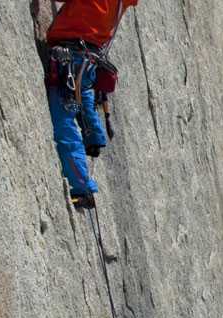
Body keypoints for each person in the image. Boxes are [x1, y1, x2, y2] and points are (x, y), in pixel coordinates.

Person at [44, 0, 137, 209]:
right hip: (88, 57)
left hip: (71, 54)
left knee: (64, 121)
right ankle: (93, 136)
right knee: (81, 91)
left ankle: (82, 188)